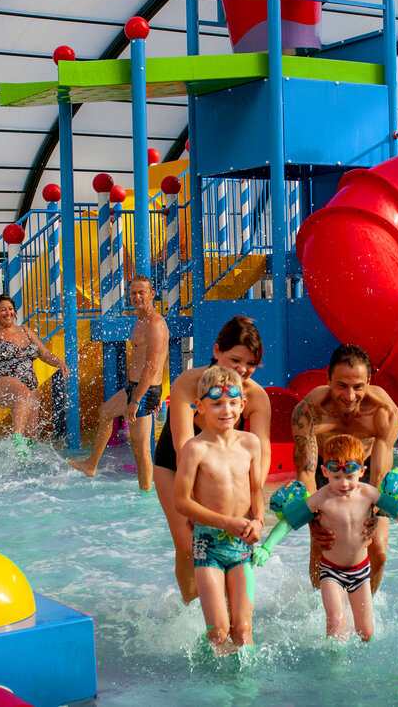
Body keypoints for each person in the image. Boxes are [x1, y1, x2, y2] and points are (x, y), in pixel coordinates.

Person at [259, 434, 398, 641]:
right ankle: (335, 667)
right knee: (336, 623)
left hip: (361, 571)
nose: (343, 483)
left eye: (350, 477)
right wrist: (267, 547)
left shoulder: (369, 494)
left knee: (366, 632)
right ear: (325, 471)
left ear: (362, 471)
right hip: (331, 571)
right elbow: (289, 521)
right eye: (336, 477)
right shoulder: (321, 498)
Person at [153, 316, 272, 604]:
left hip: (224, 470)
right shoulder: (188, 383)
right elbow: (184, 449)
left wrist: (256, 509)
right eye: (235, 360)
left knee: (232, 544)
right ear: (217, 351)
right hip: (176, 466)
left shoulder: (255, 397)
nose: (243, 370)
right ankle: (192, 609)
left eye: (251, 364)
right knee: (188, 547)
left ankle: (229, 610)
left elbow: (262, 454)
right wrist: (195, 506)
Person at [291, 344, 398, 593]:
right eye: (341, 385)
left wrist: (371, 515)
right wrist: (314, 522)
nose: (350, 396)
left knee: (378, 550)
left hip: (366, 467)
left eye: (358, 387)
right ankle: (322, 610)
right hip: (326, 469)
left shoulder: (383, 411)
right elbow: (306, 473)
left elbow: (380, 474)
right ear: (328, 380)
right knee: (323, 544)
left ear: (369, 382)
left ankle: (365, 605)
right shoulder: (309, 411)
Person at [173, 366, 264, 656]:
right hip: (208, 544)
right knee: (219, 631)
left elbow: (255, 491)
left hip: (241, 544)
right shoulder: (195, 448)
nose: (226, 410)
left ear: (242, 405)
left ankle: (246, 692)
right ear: (199, 406)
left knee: (243, 629)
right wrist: (226, 522)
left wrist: (259, 521)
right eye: (216, 404)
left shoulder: (251, 444)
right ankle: (212, 682)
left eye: (233, 403)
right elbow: (182, 502)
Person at [68, 276, 168, 489]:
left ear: (152, 294)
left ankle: (146, 495)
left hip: (143, 391)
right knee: (105, 412)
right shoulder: (140, 320)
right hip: (136, 388)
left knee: (141, 450)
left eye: (142, 293)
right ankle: (91, 464)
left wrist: (138, 400)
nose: (137, 297)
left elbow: (152, 366)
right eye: (133, 293)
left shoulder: (155, 324)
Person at [0, 293, 70, 443]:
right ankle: (16, 439)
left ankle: (20, 455)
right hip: (0, 383)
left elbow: (43, 353)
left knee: (31, 437)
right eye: (3, 310)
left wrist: (59, 363)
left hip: (30, 386)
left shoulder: (26, 331)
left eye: (10, 309)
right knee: (22, 393)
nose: (7, 312)